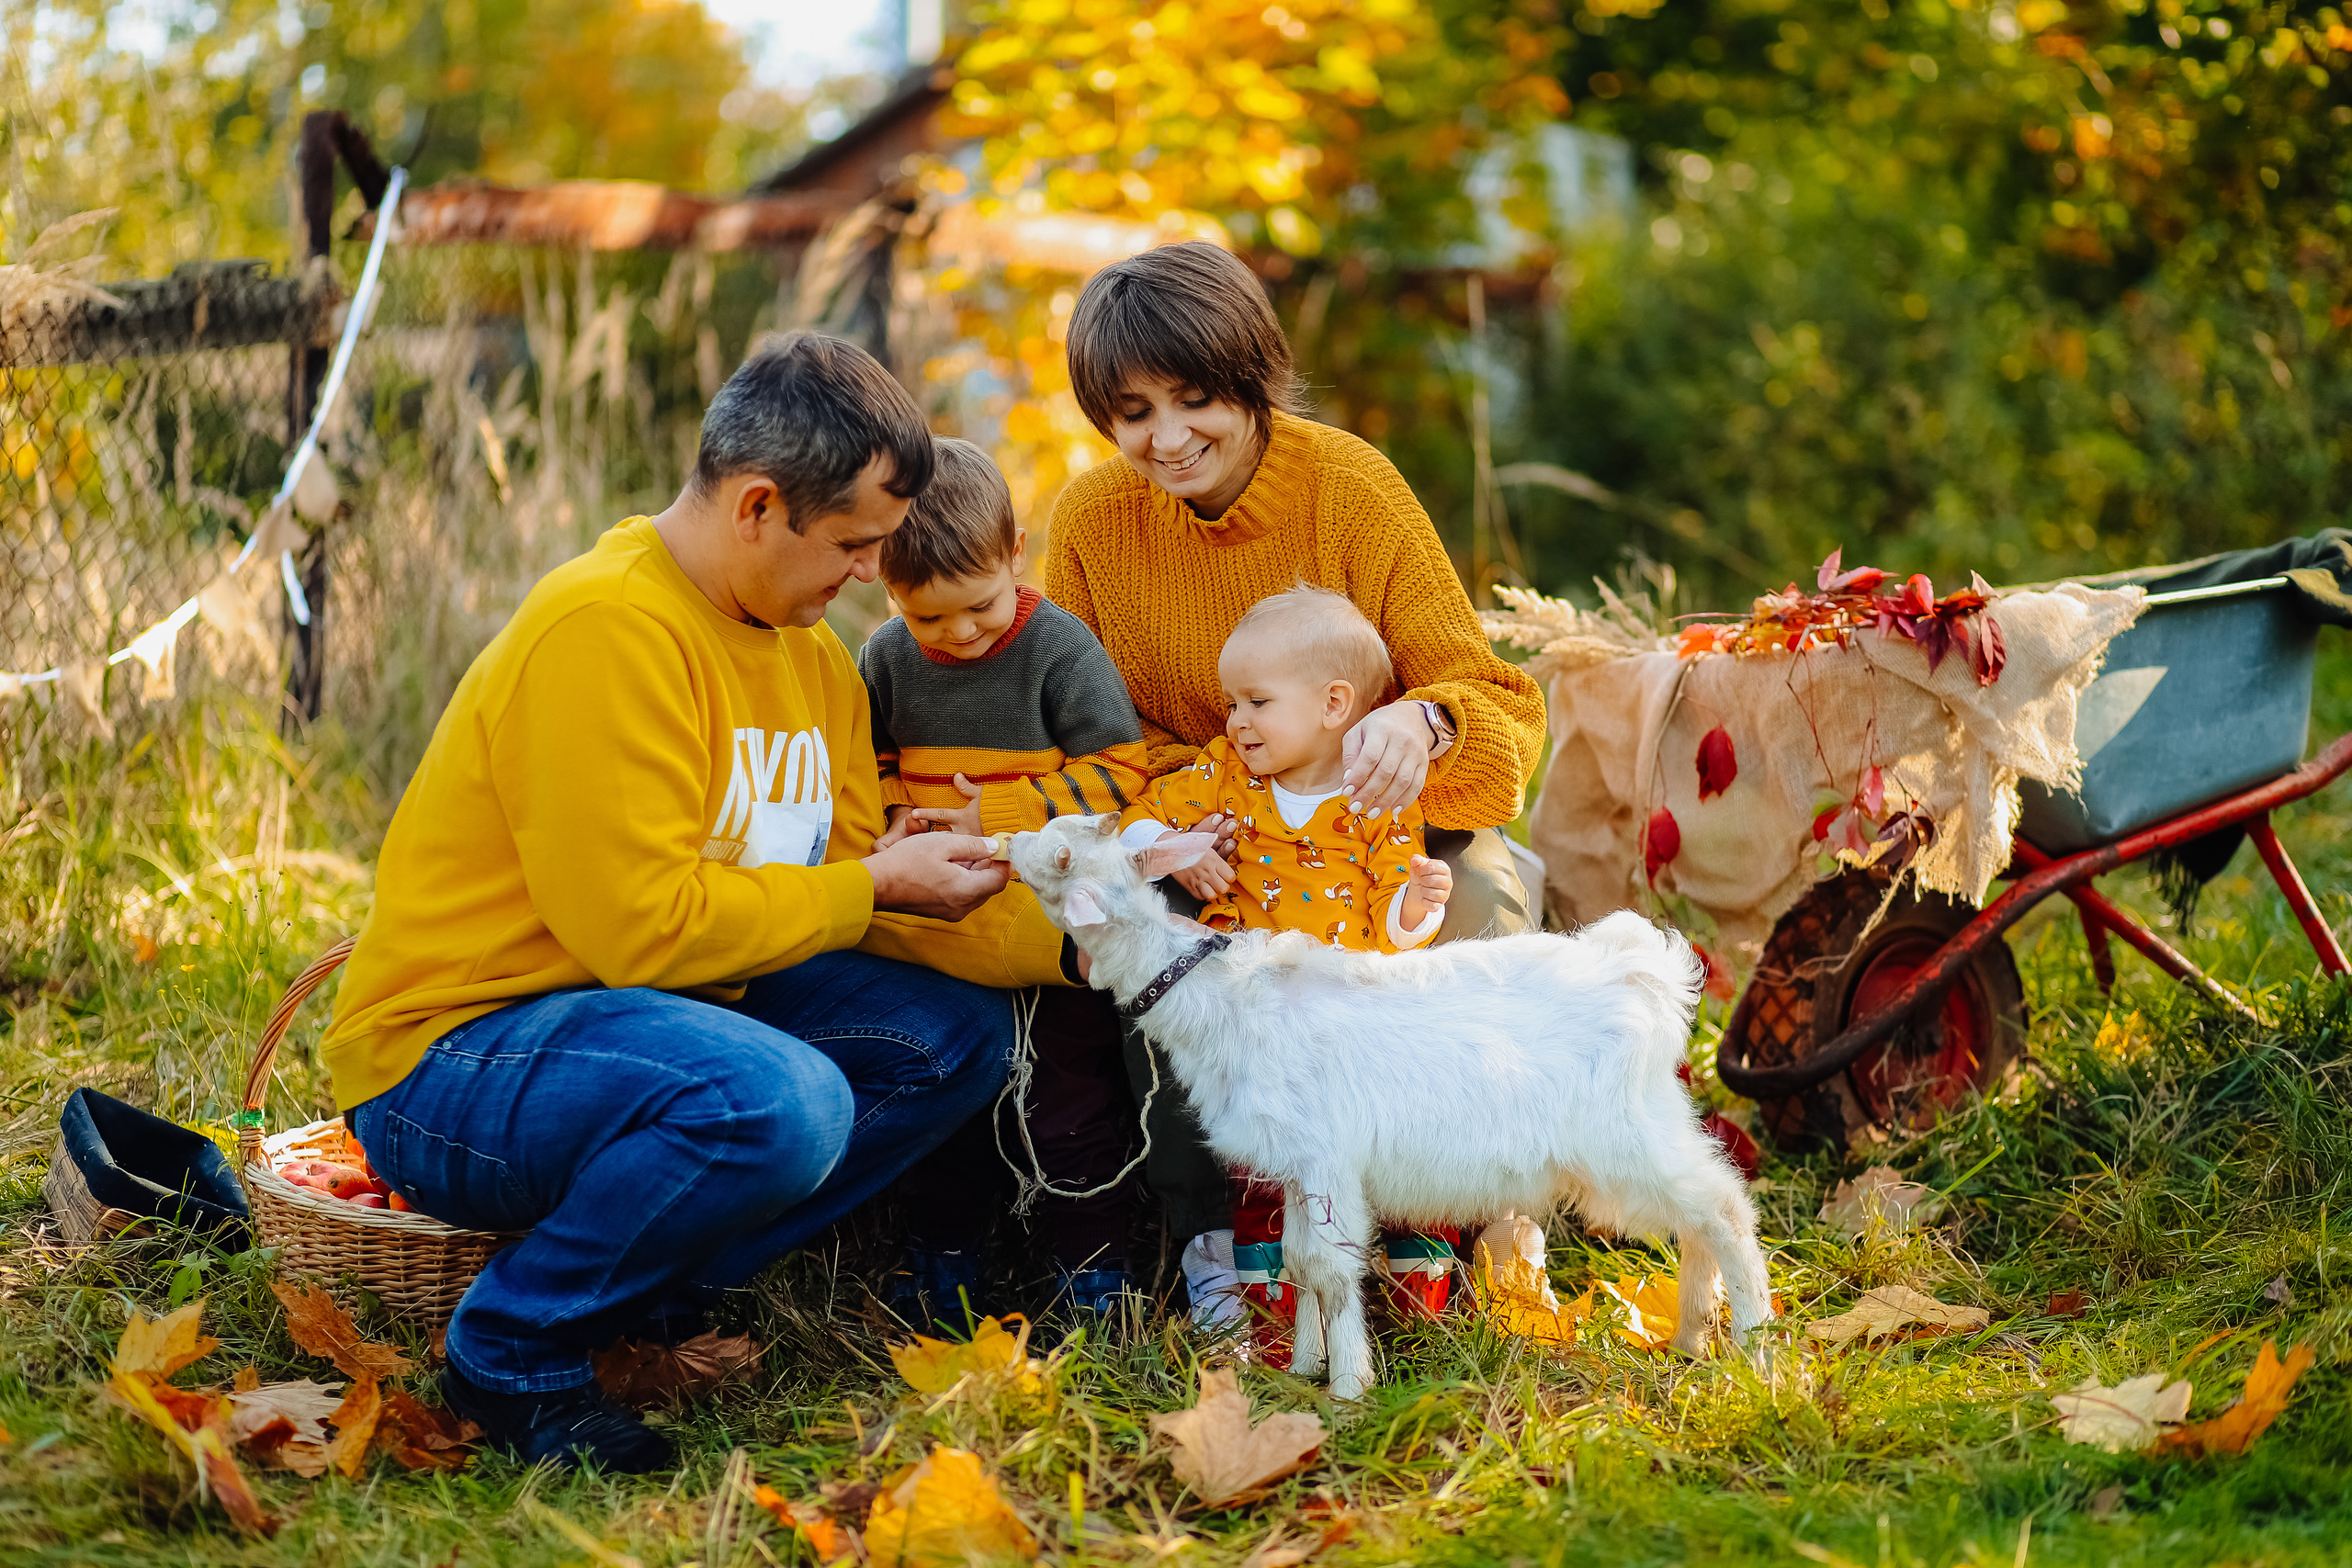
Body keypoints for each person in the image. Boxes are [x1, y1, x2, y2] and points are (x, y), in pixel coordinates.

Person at [320, 333, 1069, 1474]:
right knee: (784, 1101)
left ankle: (653, 1282)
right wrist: (866, 884)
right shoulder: (607, 628)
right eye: (855, 542)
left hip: (653, 1029)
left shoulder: (812, 659)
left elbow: (834, 871)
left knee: (952, 1037)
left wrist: (913, 856)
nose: (871, 574)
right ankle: (512, 1349)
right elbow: (640, 931)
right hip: (460, 1059)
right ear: (760, 505)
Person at [1043, 240, 1548, 1321]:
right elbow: (1094, 738)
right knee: (1165, 941)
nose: (1167, 438)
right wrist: (1192, 813)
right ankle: (1221, 1242)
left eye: (1193, 399)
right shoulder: (1091, 524)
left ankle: (1460, 1211)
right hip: (1210, 822)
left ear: (1253, 379)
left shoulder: (1351, 488)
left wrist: (1425, 717)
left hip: (1380, 814)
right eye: (1133, 412)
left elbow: (1496, 700)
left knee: (1473, 910)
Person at [1117, 584, 1461, 1354]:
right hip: (1261, 1026)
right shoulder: (1226, 782)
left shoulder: (1376, 799)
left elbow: (1396, 933)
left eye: (1255, 702)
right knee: (1266, 1170)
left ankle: (1419, 1309)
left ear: (1335, 704)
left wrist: (1418, 905)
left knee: (1396, 1154)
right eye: (1231, 703)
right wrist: (1185, 851)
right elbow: (1141, 813)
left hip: (1356, 1023)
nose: (1234, 721)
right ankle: (1277, 1328)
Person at [856, 436, 1150, 1320]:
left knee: (1068, 1098)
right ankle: (945, 1255)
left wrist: (1005, 815)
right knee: (951, 1102)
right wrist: (890, 816)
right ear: (886, 586)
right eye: (929, 617)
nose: (960, 633)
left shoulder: (1058, 649)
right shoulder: (883, 658)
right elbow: (866, 765)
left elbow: (1119, 770)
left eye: (978, 606)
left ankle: (1093, 1264)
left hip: (1048, 923)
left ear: (1015, 553)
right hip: (939, 933)